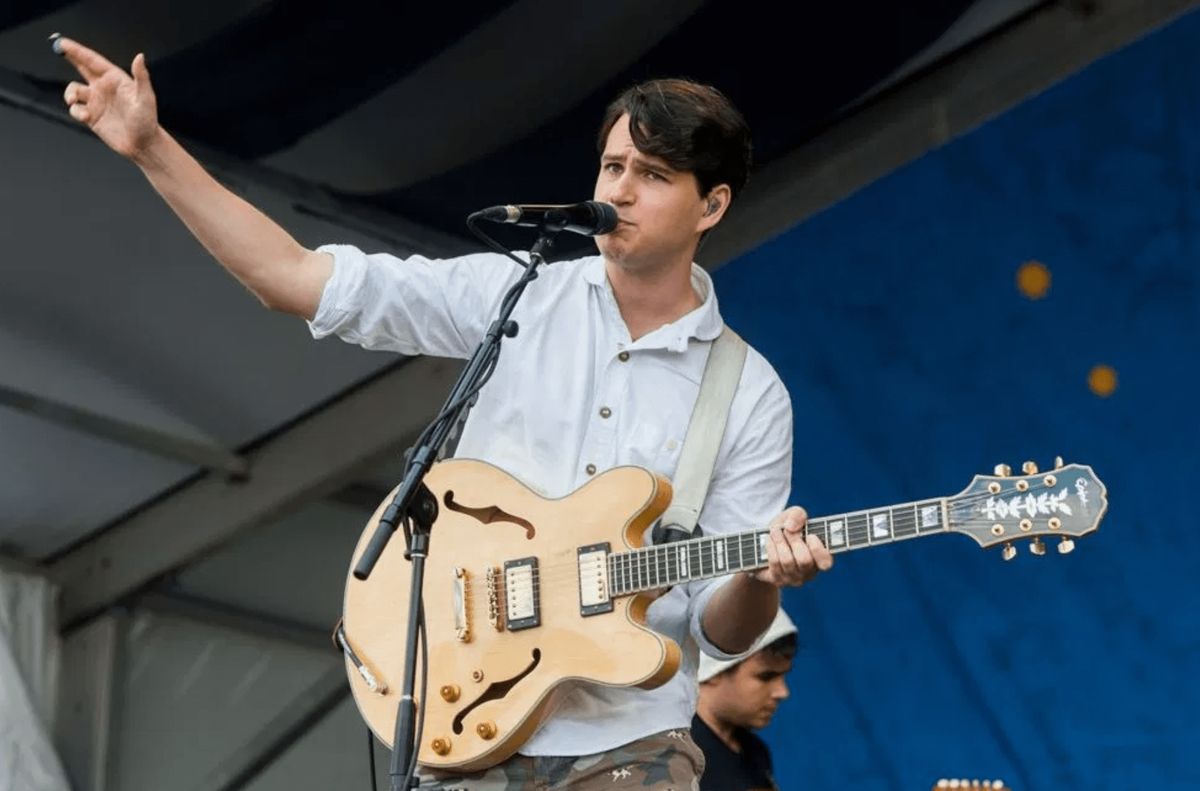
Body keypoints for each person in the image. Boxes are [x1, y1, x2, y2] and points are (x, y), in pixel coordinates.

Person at [54, 35, 834, 790]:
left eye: (655, 174)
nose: (619, 190)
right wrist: (153, 147)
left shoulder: (748, 391)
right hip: (467, 717)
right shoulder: (520, 294)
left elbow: (721, 631)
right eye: (612, 164)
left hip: (627, 747)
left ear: (714, 203)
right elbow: (293, 278)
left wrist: (765, 580)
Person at [693, 608, 797, 791]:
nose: (783, 692)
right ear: (714, 672)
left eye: (782, 677)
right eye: (766, 676)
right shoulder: (671, 756)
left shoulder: (754, 751)